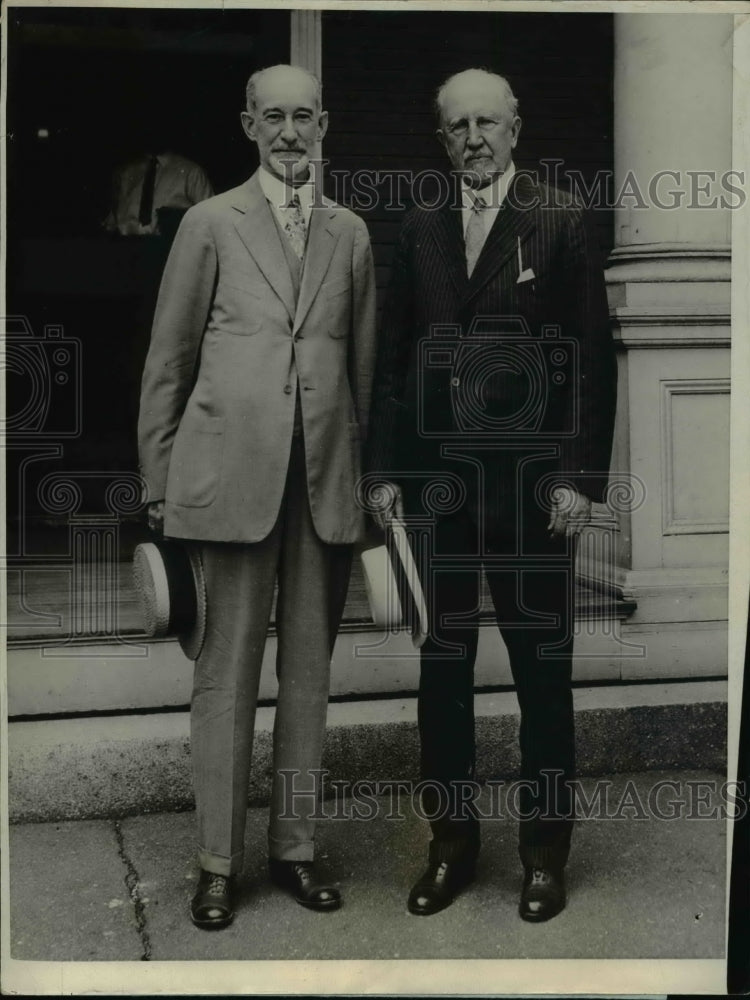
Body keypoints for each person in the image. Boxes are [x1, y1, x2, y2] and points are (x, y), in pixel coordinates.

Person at [366, 68, 617, 922]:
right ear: (442, 140)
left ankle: (544, 854)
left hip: (535, 494)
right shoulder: (420, 226)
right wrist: (384, 473)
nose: (474, 138)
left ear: (516, 130)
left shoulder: (559, 217)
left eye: (488, 123)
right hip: (440, 491)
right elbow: (393, 363)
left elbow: (592, 358)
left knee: (542, 674)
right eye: (457, 126)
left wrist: (582, 482)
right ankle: (453, 846)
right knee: (445, 671)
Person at [138, 64, 377, 928]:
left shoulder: (350, 233)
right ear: (247, 125)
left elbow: (363, 371)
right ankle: (215, 861)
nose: (288, 131)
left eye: (303, 117)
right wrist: (159, 483)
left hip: (320, 490)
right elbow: (168, 360)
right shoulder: (209, 223)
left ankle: (298, 849)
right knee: (224, 678)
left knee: (308, 679)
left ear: (324, 125)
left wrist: (359, 479)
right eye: (272, 116)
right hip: (227, 486)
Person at [104, 149, 214, 236]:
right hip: (126, 250)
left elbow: (211, 223)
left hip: (168, 252)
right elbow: (112, 222)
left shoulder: (191, 173)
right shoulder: (126, 173)